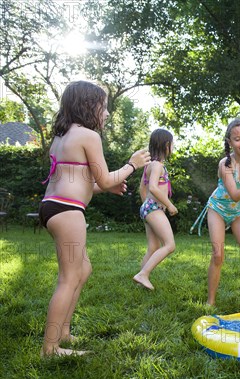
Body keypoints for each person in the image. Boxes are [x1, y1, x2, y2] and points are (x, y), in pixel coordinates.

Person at [39, 80, 150, 356]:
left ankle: (63, 333)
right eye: (104, 106)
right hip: (68, 212)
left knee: (82, 270)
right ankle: (50, 348)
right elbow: (104, 175)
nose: (107, 112)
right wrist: (131, 165)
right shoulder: (89, 136)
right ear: (88, 106)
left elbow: (82, 182)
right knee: (68, 277)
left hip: (53, 207)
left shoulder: (62, 137)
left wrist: (104, 188)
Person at [190, 119, 240, 313]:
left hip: (238, 212)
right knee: (218, 254)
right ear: (229, 142)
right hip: (217, 209)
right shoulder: (225, 164)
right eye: (237, 139)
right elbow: (235, 194)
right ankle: (211, 301)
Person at [133, 129, 178, 291]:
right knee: (169, 245)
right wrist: (168, 204)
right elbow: (152, 187)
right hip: (153, 208)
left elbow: (142, 189)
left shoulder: (150, 166)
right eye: (172, 144)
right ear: (167, 145)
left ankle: (141, 280)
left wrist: (146, 206)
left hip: (148, 208)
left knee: (153, 247)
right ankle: (143, 274)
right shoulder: (157, 165)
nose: (173, 146)